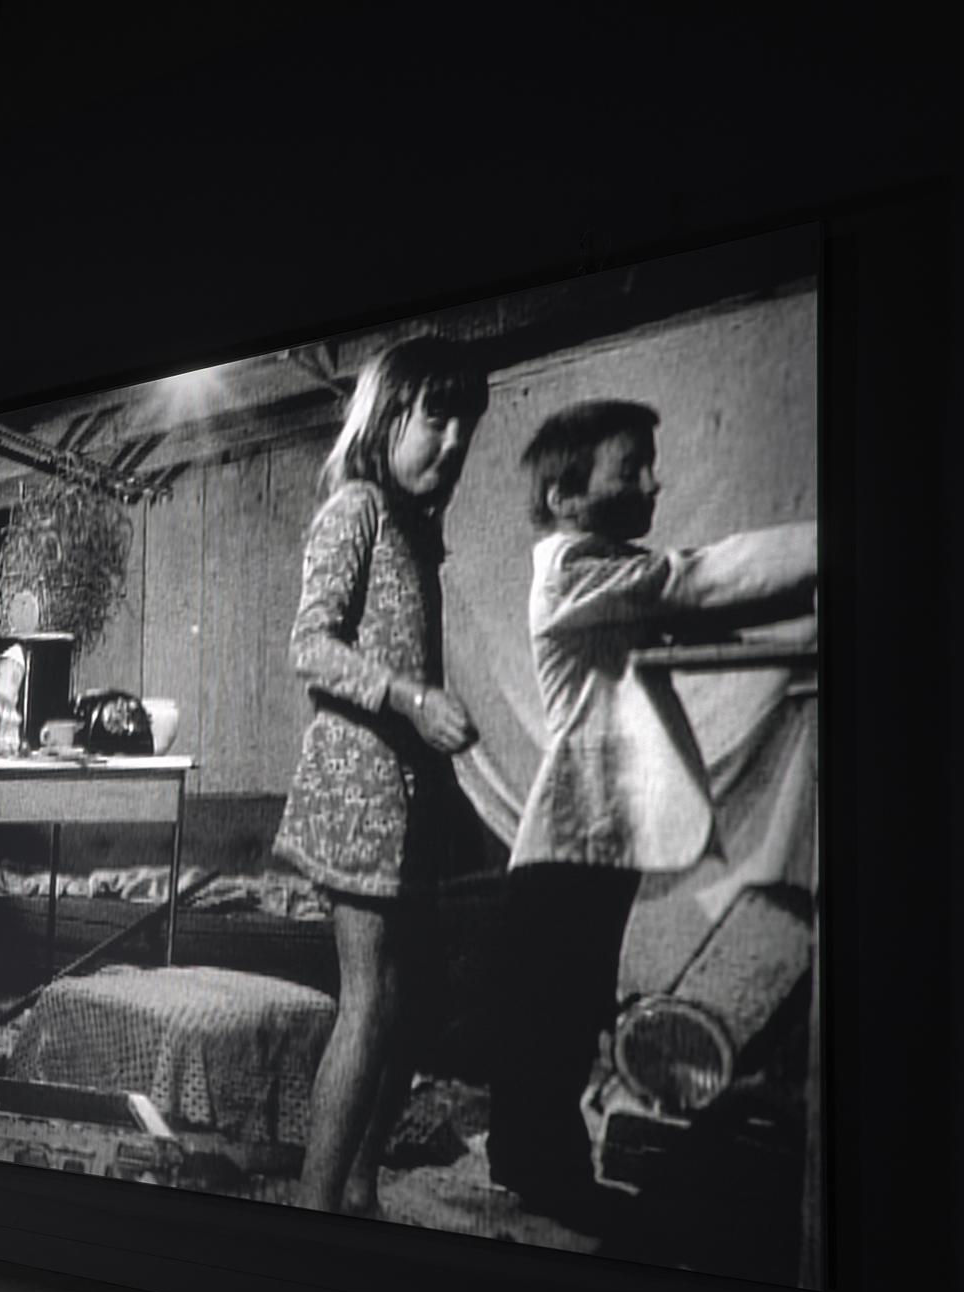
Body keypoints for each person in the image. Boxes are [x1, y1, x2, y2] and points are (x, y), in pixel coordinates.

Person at [487, 399, 817, 1226]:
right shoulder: (572, 571)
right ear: (565, 496)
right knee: (553, 1016)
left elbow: (708, 606)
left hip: (600, 839)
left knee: (566, 1007)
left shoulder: (608, 574)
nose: (652, 481)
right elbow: (691, 579)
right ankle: (542, 1172)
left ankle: (533, 1164)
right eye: (629, 467)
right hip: (567, 841)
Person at [273, 336, 487, 1216]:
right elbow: (309, 646)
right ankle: (316, 1205)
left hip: (402, 797)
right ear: (387, 414)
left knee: (411, 1000)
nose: (453, 443)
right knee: (370, 1001)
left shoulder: (412, 530)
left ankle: (357, 1190)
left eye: (465, 425)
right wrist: (409, 698)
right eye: (436, 418)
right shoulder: (355, 507)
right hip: (354, 788)